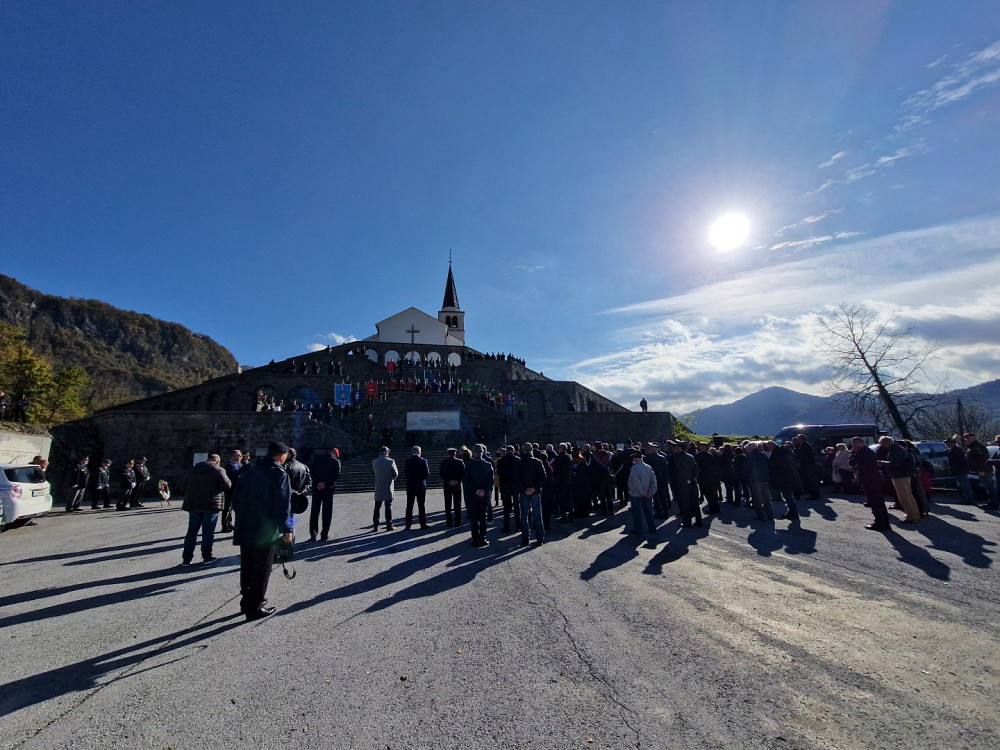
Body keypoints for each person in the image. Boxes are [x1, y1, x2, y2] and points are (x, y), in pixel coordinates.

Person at [232, 441, 293, 621]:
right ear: (282, 455)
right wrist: (286, 529)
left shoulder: (251, 471)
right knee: (262, 567)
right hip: (265, 529)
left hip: (246, 525)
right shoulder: (279, 474)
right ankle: (256, 606)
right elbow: (283, 505)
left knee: (248, 564)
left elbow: (236, 499)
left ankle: (246, 601)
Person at [181, 453, 231, 565]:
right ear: (217, 461)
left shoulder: (193, 470)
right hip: (210, 504)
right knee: (208, 532)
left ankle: (186, 559)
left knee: (191, 532)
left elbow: (183, 486)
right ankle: (207, 557)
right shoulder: (218, 470)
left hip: (193, 504)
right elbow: (227, 485)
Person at [849, 437, 890, 531]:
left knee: (875, 502)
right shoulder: (869, 451)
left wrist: (852, 453)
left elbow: (851, 462)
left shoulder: (861, 452)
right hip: (876, 477)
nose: (853, 446)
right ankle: (884, 523)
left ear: (858, 443)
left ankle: (879, 523)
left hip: (869, 479)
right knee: (879, 501)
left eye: (853, 444)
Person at [877, 436, 921, 524]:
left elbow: (895, 463)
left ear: (887, 442)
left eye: (882, 443)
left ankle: (911, 518)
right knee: (909, 495)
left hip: (900, 475)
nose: (881, 445)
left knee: (904, 497)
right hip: (904, 474)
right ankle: (914, 515)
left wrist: (882, 463)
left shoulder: (895, 450)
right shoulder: (898, 448)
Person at [515, 442, 546, 546]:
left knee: (524, 516)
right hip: (535, 492)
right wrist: (534, 488)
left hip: (523, 492)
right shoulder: (538, 462)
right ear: (531, 450)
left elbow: (516, 479)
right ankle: (540, 539)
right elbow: (543, 476)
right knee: (537, 515)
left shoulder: (519, 463)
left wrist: (524, 489)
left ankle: (525, 538)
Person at [463, 444, 494, 547]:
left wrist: (476, 490)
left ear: (473, 453)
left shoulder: (469, 465)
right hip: (484, 495)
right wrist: (484, 490)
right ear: (482, 453)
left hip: (472, 494)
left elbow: (467, 481)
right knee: (483, 516)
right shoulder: (488, 465)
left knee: (474, 517)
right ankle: (483, 538)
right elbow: (491, 481)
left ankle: (475, 539)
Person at [309, 446, 341, 541]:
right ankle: (324, 534)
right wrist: (325, 484)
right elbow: (336, 475)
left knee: (315, 511)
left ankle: (313, 534)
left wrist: (317, 483)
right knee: (327, 512)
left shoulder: (317, 459)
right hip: (328, 489)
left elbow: (311, 472)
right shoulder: (335, 461)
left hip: (317, 488)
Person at [668, 441, 702, 528]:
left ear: (679, 448)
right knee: (695, 503)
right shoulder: (691, 456)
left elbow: (673, 471)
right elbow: (696, 469)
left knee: (685, 504)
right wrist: (694, 479)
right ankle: (699, 521)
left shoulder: (676, 457)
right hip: (692, 482)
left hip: (682, 483)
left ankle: (687, 522)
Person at [965, 432, 998, 510]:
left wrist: (981, 470)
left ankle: (995, 504)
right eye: (966, 438)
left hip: (985, 470)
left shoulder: (979, 447)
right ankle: (991, 502)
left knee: (989, 487)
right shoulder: (971, 447)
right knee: (987, 487)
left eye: (969, 438)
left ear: (974, 437)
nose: (967, 440)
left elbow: (983, 460)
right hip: (979, 470)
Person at [627, 450, 657, 534]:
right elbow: (653, 481)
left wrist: (642, 492)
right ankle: (652, 528)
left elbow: (636, 482)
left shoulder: (634, 468)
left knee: (637, 513)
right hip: (648, 494)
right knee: (649, 512)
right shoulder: (648, 467)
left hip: (636, 494)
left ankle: (638, 529)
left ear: (635, 458)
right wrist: (651, 492)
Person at [743, 442, 772, 520]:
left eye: (747, 448)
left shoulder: (750, 457)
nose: (747, 450)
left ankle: (761, 516)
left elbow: (747, 469)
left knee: (757, 499)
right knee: (766, 498)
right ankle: (770, 515)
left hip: (755, 480)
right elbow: (768, 466)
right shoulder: (763, 455)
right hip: (765, 479)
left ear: (750, 448)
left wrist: (746, 478)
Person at [372, 446, 398, 531]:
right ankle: (389, 525)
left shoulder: (375, 462)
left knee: (377, 507)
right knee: (388, 507)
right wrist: (391, 478)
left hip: (378, 487)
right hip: (388, 486)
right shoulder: (390, 461)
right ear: (386, 452)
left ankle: (375, 526)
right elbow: (396, 474)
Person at [404, 446, 430, 530]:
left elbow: (406, 473)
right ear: (419, 452)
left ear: (412, 452)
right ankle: (423, 524)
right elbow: (427, 473)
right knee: (421, 505)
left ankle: (408, 525)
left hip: (410, 485)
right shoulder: (423, 461)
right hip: (420, 485)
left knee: (409, 505)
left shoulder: (408, 461)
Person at [496, 445, 520, 533]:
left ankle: (506, 527)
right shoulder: (517, 460)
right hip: (515, 485)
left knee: (506, 507)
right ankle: (518, 526)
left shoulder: (501, 461)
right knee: (517, 506)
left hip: (505, 484)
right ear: (513, 451)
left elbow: (499, 473)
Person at [439, 447, 465, 526]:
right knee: (457, 503)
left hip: (447, 485)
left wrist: (449, 481)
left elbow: (442, 473)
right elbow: (463, 473)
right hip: (457, 485)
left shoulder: (444, 462)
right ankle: (457, 520)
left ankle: (449, 520)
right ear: (455, 453)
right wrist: (457, 481)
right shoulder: (460, 462)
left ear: (448, 453)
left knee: (448, 503)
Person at [284, 447, 313, 517]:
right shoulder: (304, 467)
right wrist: (303, 491)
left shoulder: (285, 466)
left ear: (288, 455)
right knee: (291, 518)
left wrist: (293, 492)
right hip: (298, 497)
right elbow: (309, 481)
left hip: (286, 497)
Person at [222, 450, 244, 532]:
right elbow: (233, 475)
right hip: (231, 489)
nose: (240, 457)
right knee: (228, 507)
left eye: (240, 455)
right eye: (238, 455)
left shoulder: (239, 464)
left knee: (234, 507)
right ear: (232, 456)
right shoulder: (229, 465)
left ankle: (229, 523)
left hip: (238, 489)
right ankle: (225, 525)